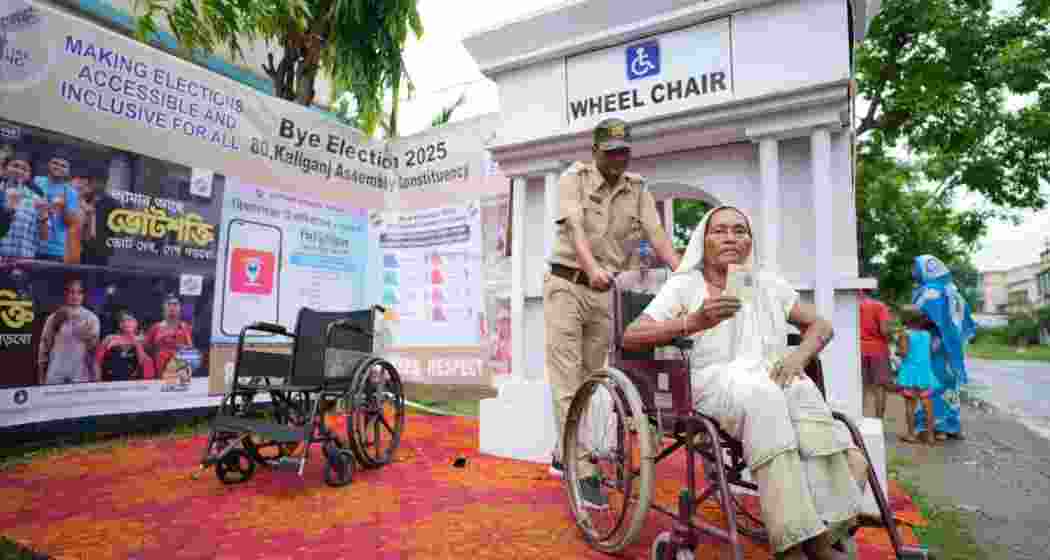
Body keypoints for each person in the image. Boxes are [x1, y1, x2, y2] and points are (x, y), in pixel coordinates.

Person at [623, 206, 869, 560]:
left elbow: (821, 326)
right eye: (720, 230)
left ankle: (824, 527)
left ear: (750, 241)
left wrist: (798, 356)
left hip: (768, 373)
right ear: (703, 240)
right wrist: (692, 321)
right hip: (712, 379)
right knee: (764, 398)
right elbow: (633, 335)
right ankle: (799, 542)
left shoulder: (765, 282)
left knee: (801, 390)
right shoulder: (685, 284)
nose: (730, 238)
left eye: (739, 231)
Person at [545, 117, 680, 508]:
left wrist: (688, 275)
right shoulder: (575, 177)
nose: (618, 159)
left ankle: (562, 449)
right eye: (611, 153)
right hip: (567, 284)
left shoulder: (638, 189)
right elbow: (574, 227)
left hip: (605, 296)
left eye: (624, 151)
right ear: (595, 152)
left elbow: (658, 237)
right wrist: (589, 267)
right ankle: (581, 468)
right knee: (567, 381)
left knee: (590, 381)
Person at [911, 255, 976, 441]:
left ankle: (932, 427)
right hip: (952, 349)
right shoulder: (954, 292)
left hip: (932, 347)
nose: (913, 272)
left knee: (930, 386)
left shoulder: (928, 292)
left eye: (916, 268)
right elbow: (965, 321)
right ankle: (952, 426)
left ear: (926, 269)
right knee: (950, 387)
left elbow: (918, 317)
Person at [38, 277, 101, 384]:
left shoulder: (91, 318)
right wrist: (41, 374)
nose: (75, 296)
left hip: (81, 375)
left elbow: (94, 350)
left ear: (83, 295)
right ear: (65, 294)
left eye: (79, 292)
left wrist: (86, 336)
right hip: (56, 374)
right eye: (71, 292)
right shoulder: (54, 317)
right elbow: (45, 345)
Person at [894, 305, 939, 445]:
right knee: (928, 406)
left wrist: (897, 350)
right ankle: (930, 436)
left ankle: (911, 435)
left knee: (910, 405)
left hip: (910, 373)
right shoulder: (927, 334)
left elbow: (904, 353)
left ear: (906, 320)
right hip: (925, 373)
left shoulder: (905, 334)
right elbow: (930, 351)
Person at [32, 149, 81, 263]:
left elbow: (70, 223)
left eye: (63, 166)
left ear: (68, 171)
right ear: (48, 164)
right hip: (30, 244)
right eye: (55, 163)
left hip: (54, 250)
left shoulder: (71, 192)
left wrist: (63, 206)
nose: (58, 167)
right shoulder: (36, 181)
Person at [0, 152, 50, 259]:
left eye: (24, 169)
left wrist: (43, 215)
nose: (18, 171)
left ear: (29, 175)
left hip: (22, 262)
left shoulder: (37, 198)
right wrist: (9, 208)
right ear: (5, 169)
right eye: (15, 166)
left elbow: (44, 237)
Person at [71, 161, 118, 266]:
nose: (97, 184)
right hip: (80, 250)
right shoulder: (82, 198)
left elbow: (116, 230)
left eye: (101, 181)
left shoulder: (112, 203)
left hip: (101, 253)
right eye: (94, 181)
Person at [858, 289, 895, 418]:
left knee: (860, 386)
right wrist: (892, 337)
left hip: (858, 350)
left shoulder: (853, 306)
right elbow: (884, 330)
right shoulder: (879, 306)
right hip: (878, 350)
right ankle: (878, 420)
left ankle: (858, 419)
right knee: (879, 387)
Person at [95, 311, 155, 381]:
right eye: (123, 321)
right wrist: (97, 380)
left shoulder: (143, 341)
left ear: (136, 323)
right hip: (110, 380)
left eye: (130, 320)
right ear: (120, 324)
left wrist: (135, 342)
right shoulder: (109, 339)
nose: (126, 323)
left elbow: (144, 363)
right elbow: (97, 361)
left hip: (134, 382)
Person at [145, 294, 194, 377]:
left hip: (180, 371)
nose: (172, 307)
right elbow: (147, 348)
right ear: (164, 307)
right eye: (169, 304)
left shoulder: (186, 327)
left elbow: (191, 349)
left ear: (180, 308)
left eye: (175, 304)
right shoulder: (155, 328)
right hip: (160, 372)